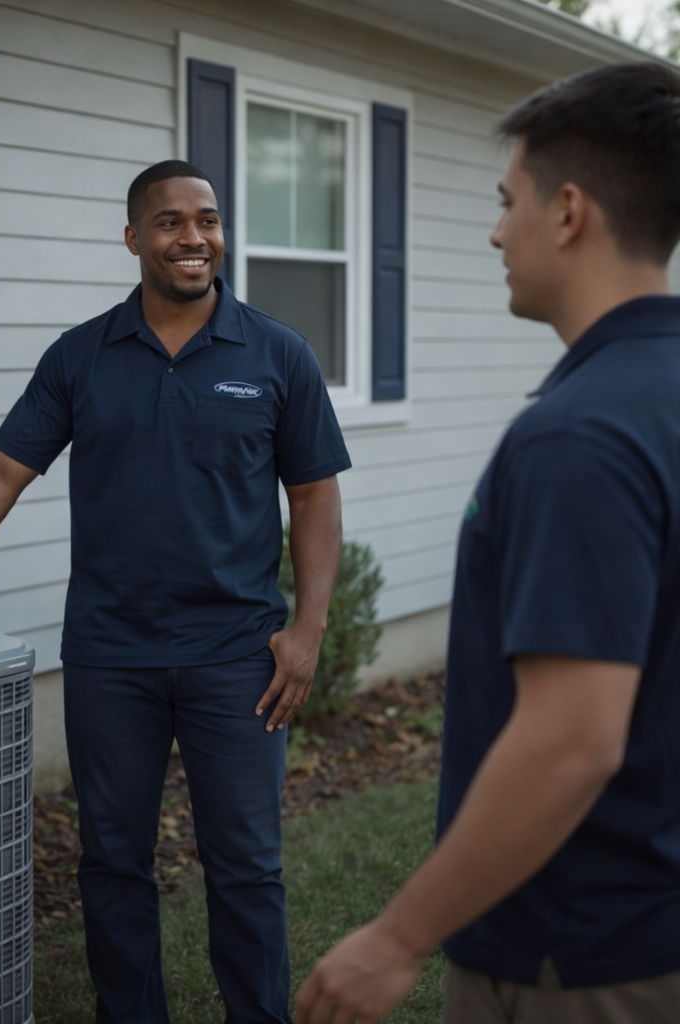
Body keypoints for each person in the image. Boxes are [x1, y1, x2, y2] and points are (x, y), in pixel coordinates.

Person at [0, 159, 350, 1023]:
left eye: (208, 220)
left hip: (237, 657)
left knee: (247, 868)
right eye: (171, 222)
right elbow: (1, 472)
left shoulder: (276, 353)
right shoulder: (81, 356)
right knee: (111, 863)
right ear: (135, 237)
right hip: (112, 655)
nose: (194, 238)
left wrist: (310, 628)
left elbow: (315, 493)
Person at [295, 61, 680, 1024]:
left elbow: (571, 740)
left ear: (569, 212)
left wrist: (396, 939)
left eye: (508, 201)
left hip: (576, 958)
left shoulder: (580, 436)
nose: (495, 231)